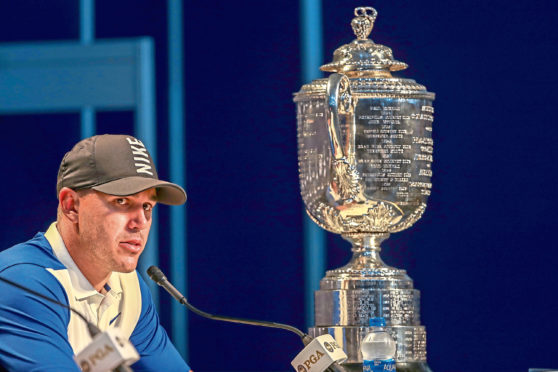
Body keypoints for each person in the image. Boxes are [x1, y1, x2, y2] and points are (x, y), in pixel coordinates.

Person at [0, 134, 192, 371]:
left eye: (147, 206)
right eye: (122, 201)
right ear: (71, 205)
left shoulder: (128, 287)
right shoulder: (21, 283)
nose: (140, 221)